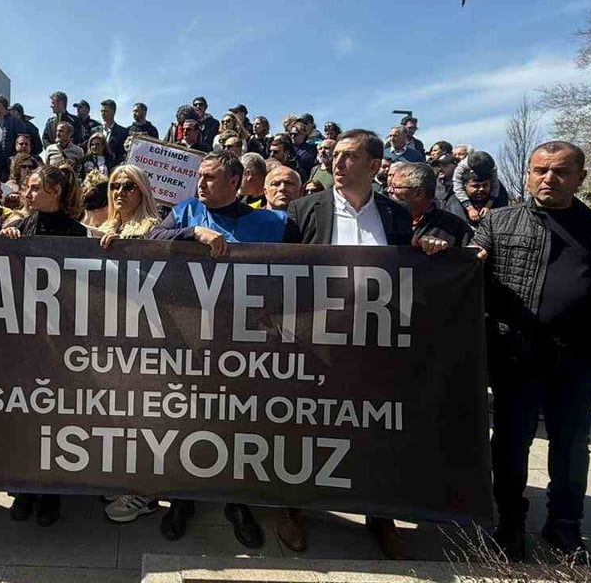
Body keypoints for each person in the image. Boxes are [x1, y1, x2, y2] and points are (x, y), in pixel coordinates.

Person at [473, 141, 591, 564]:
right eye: (540, 170)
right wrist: (468, 261)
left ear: (580, 177)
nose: (549, 178)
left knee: (572, 446)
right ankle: (510, 523)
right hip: (518, 355)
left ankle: (565, 525)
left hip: (581, 359)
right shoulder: (498, 222)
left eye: (561, 171)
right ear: (528, 175)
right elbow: (470, 280)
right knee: (511, 444)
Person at [284, 130, 443, 558]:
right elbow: (281, 274)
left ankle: (380, 516)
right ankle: (294, 508)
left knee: (374, 429)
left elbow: (412, 269)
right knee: (306, 426)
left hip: (376, 346)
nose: (338, 163)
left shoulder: (395, 214)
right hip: (316, 344)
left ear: (375, 166)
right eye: (335, 155)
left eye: (350, 156)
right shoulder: (304, 210)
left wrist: (429, 249)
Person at [148, 151, 297, 548]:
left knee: (239, 420)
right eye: (199, 176)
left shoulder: (274, 223)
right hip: (191, 336)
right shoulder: (185, 212)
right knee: (187, 416)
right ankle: (183, 498)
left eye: (210, 177)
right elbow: (153, 240)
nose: (200, 183)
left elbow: (307, 269)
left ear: (235, 181)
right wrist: (192, 233)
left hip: (248, 341)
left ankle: (237, 501)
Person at [0, 165, 88, 528]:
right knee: (25, 414)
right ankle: (25, 487)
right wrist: (5, 242)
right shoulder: (18, 227)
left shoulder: (77, 233)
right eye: (28, 187)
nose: (28, 193)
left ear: (56, 191)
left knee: (56, 416)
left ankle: (52, 491)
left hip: (62, 340)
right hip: (24, 338)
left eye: (36, 188)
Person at [388, 162, 472, 246]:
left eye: (396, 187)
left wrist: (437, 248)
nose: (390, 190)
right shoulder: (385, 219)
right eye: (390, 186)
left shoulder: (455, 228)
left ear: (419, 193)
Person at [452, 150, 505, 222]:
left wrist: (488, 206)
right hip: (464, 192)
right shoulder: (461, 168)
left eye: (484, 185)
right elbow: (457, 188)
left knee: (500, 193)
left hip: (492, 192)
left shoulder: (492, 168)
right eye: (476, 186)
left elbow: (495, 186)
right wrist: (470, 208)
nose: (481, 189)